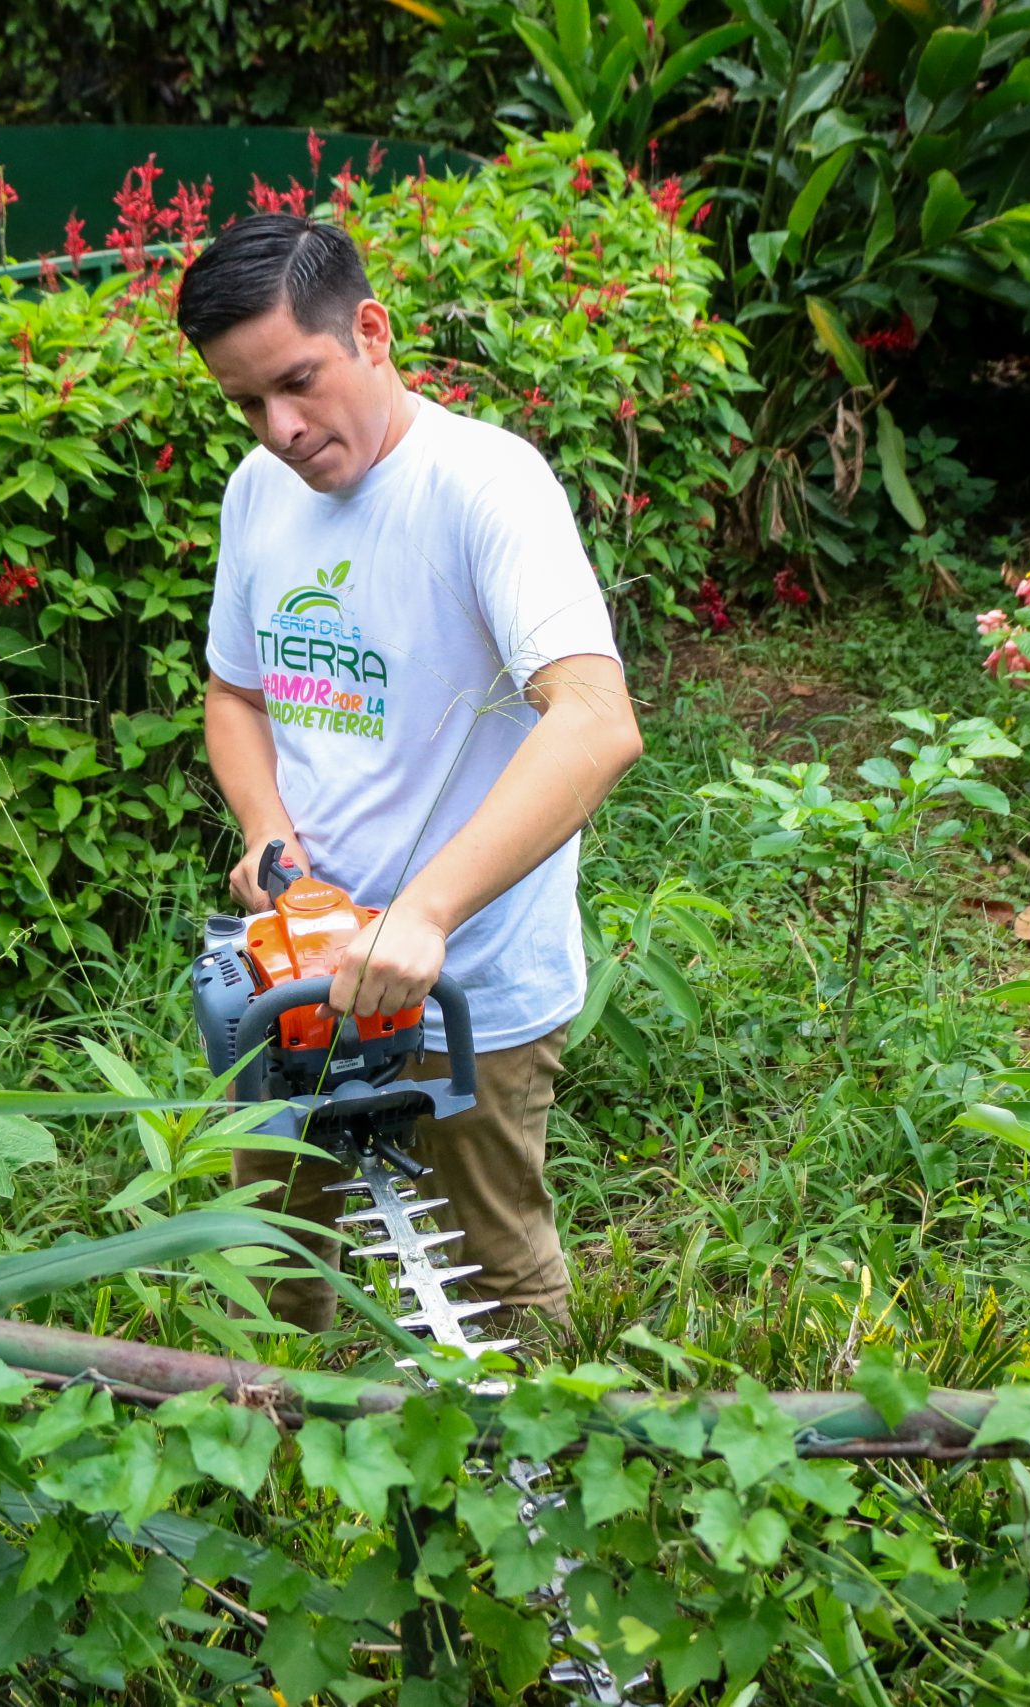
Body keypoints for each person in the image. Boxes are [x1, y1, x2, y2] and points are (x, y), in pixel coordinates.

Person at [175, 212, 644, 1339]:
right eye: (247, 402)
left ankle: (535, 1491)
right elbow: (236, 695)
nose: (280, 428)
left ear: (371, 332)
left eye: (297, 381)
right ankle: (287, 1478)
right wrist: (267, 834)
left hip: (464, 977)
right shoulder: (257, 490)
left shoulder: (485, 485)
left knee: (494, 1271)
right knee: (275, 1263)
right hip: (300, 969)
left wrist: (426, 914)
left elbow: (594, 720)